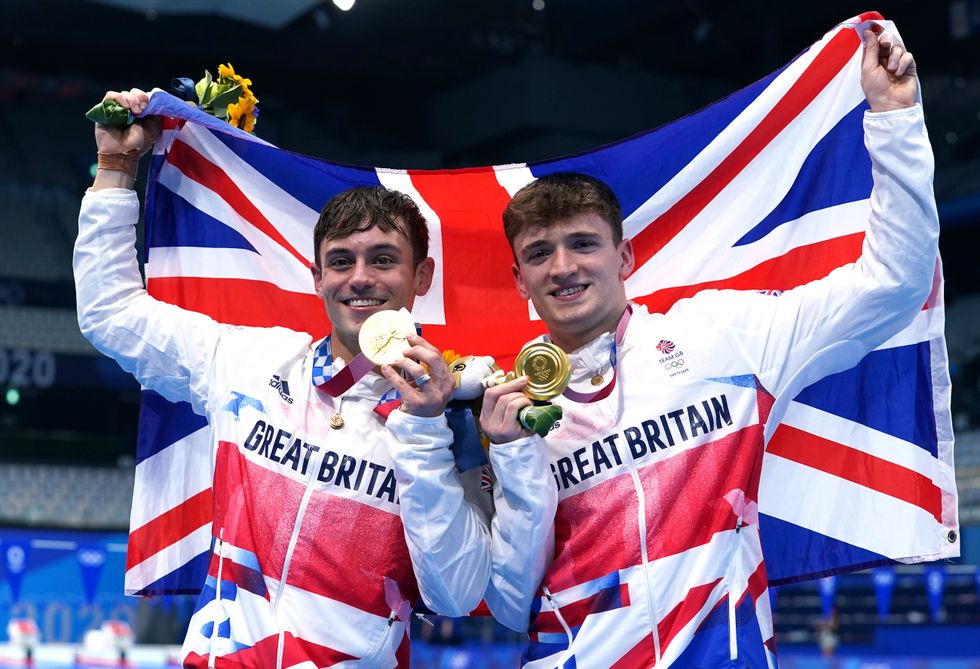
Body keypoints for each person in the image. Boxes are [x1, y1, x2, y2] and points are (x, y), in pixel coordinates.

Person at [480, 27, 936, 667]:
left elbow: (894, 283)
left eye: (582, 244)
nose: (563, 267)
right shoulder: (510, 410)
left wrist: (894, 119)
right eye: (539, 254)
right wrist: (510, 456)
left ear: (625, 256)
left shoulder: (723, 338)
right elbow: (507, 598)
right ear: (520, 279)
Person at [74, 89, 554, 668]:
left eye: (383, 259)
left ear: (420, 276)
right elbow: (111, 313)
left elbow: (454, 594)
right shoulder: (248, 362)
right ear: (316, 275)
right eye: (341, 261)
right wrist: (117, 168)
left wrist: (423, 429)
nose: (360, 279)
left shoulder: (458, 413)